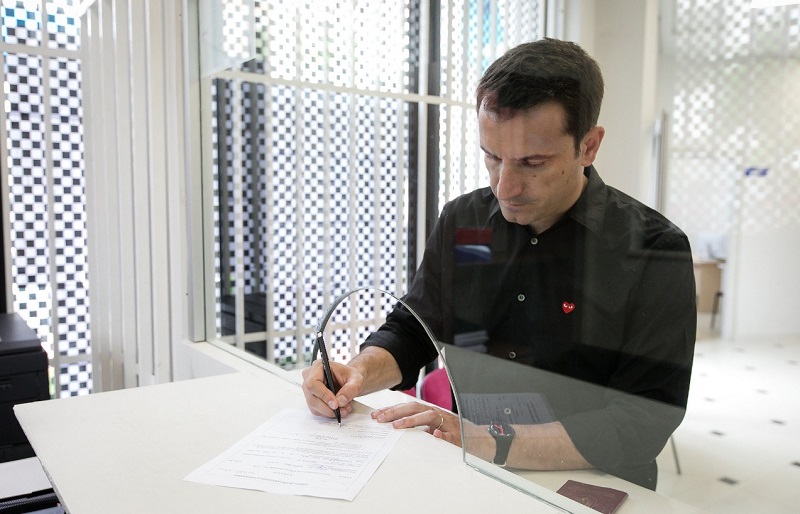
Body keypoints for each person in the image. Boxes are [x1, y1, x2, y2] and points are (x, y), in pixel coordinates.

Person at [302, 37, 696, 490]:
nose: (505, 187)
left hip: (591, 484)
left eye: (532, 163)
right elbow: (417, 329)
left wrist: (494, 440)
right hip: (473, 470)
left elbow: (642, 419)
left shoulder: (652, 250)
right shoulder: (467, 223)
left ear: (588, 146)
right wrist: (359, 371)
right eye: (492, 157)